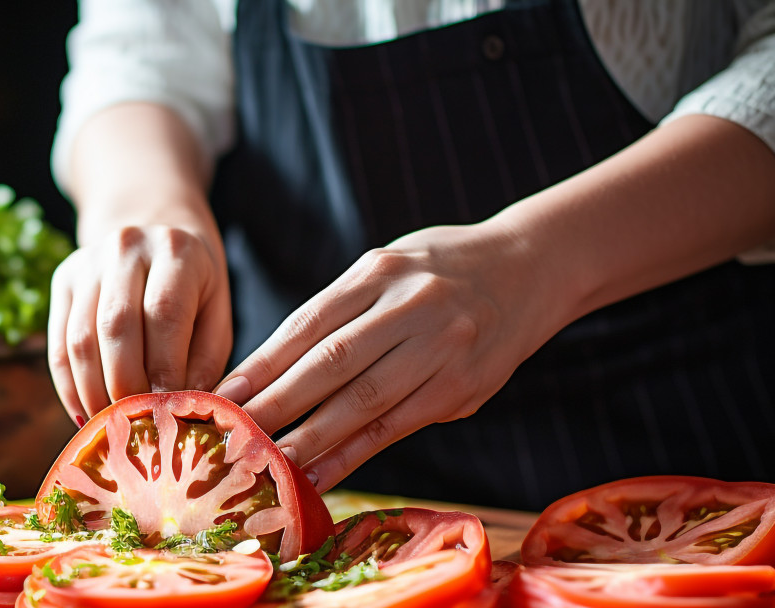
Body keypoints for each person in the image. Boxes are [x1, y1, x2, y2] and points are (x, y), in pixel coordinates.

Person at [45, 0, 775, 511]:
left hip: (675, 455)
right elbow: (138, 59)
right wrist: (141, 209)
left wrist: (537, 259)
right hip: (306, 489)